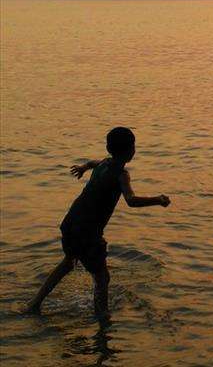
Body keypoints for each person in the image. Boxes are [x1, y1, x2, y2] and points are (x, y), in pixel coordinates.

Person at [26, 127, 171, 315]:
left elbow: (93, 162)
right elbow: (131, 200)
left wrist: (84, 167)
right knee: (102, 278)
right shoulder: (122, 174)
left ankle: (35, 303)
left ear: (108, 148)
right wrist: (158, 200)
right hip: (88, 231)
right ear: (130, 151)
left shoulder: (104, 163)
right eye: (134, 146)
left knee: (68, 262)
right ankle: (102, 319)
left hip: (71, 222)